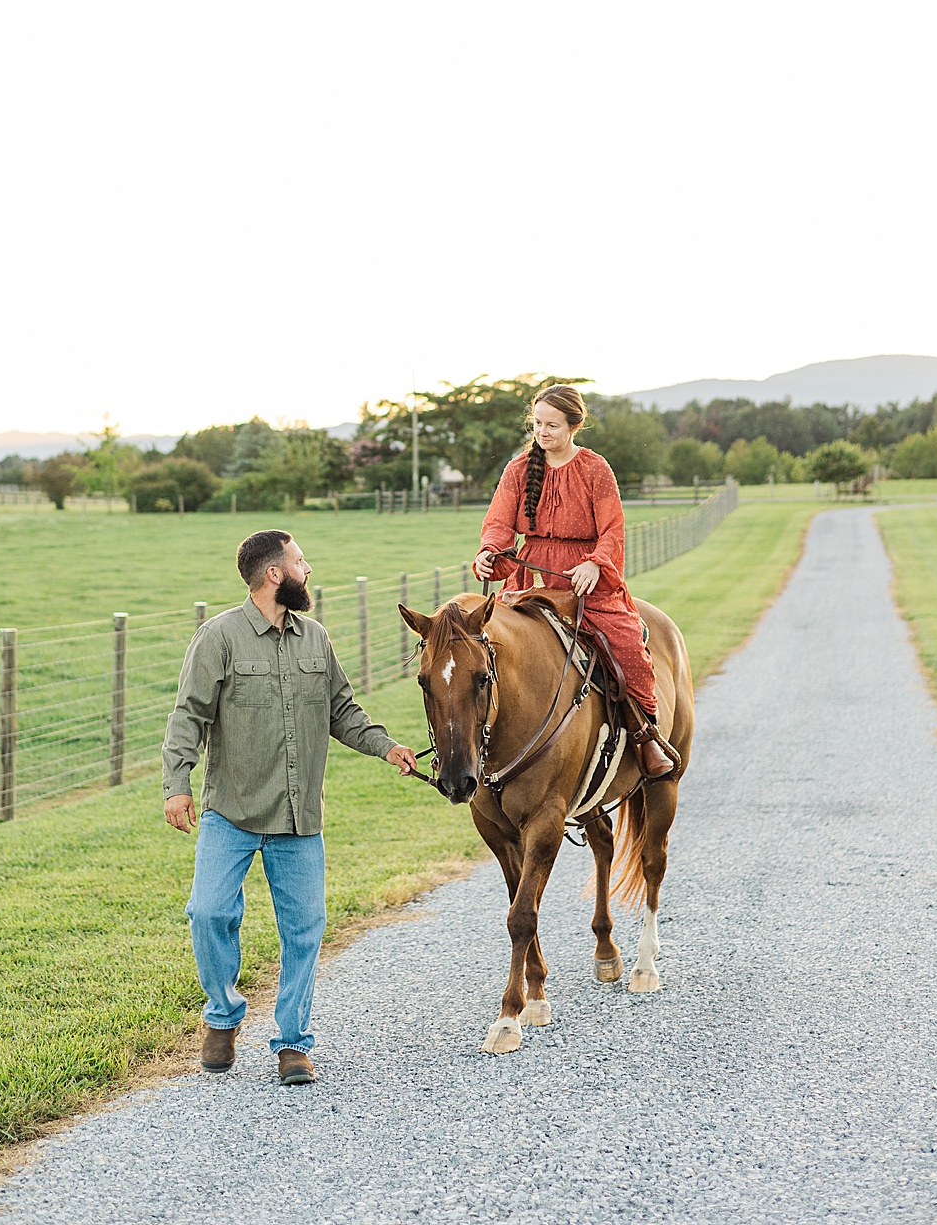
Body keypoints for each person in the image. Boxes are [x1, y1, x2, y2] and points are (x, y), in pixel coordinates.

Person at [162, 529, 417, 1085]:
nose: (309, 569)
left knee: (304, 930)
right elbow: (189, 715)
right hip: (231, 810)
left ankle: (293, 1042)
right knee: (208, 913)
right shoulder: (219, 637)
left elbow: (342, 710)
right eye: (301, 561)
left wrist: (386, 747)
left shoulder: (315, 639)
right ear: (275, 574)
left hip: (299, 815)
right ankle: (222, 1015)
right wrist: (176, 783)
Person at [474, 385, 675, 779]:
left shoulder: (595, 468)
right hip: (530, 578)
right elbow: (498, 523)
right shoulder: (517, 469)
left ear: (573, 426)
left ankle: (644, 735)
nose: (542, 432)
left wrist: (597, 564)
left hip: (584, 580)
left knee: (627, 648)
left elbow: (613, 529)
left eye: (552, 425)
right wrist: (489, 551)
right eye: (537, 423)